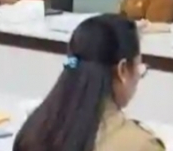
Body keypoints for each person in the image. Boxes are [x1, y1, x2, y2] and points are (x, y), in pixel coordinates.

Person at [13, 14, 164, 151]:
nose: (138, 76)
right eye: (138, 67)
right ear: (122, 70)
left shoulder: (34, 128)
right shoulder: (140, 145)